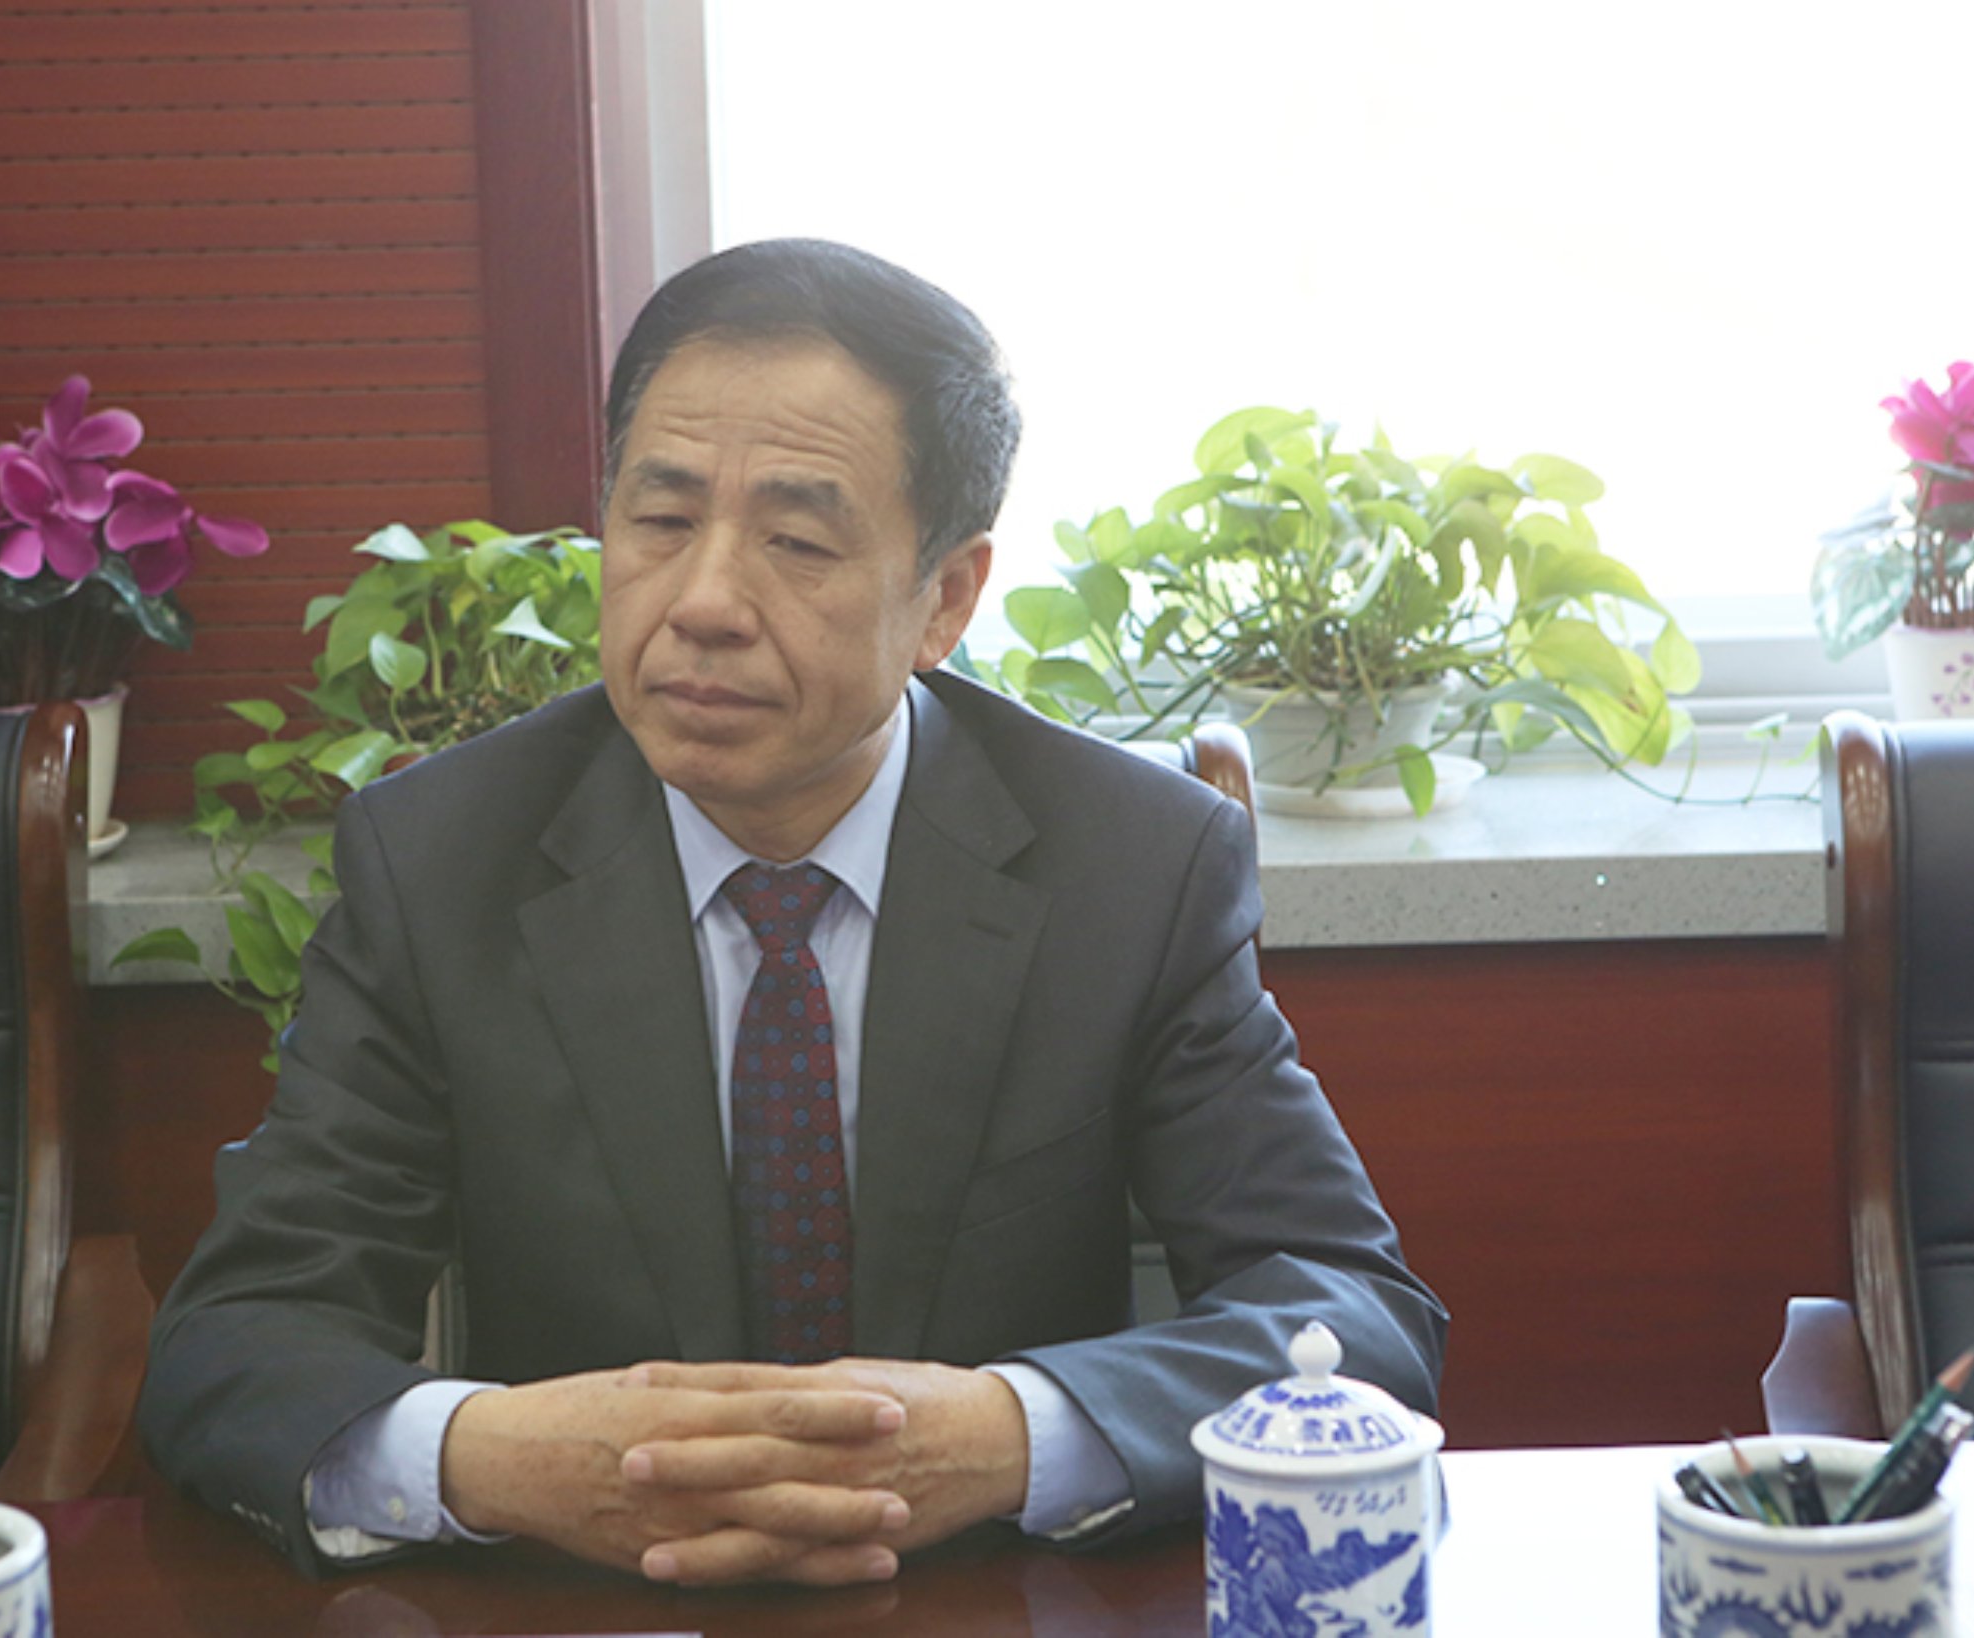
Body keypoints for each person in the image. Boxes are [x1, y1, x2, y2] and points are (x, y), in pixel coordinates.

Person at [138, 238, 1446, 1588]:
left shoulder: (1130, 863)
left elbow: (1348, 1311)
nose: (703, 603)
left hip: (987, 1596)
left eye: (798, 541)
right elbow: (235, 1337)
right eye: (659, 522)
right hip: (597, 1603)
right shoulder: (445, 859)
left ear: (944, 598)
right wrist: (495, 1457)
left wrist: (1003, 1436)